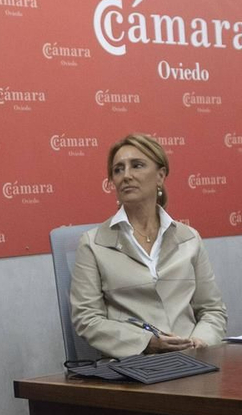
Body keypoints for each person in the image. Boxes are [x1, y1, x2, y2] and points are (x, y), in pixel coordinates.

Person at [69, 132, 227, 357]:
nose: (126, 176)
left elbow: (212, 310)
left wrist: (199, 342)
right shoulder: (93, 244)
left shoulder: (189, 238)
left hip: (193, 362)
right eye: (118, 169)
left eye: (137, 165)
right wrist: (146, 342)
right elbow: (87, 319)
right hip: (133, 368)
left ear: (160, 175)